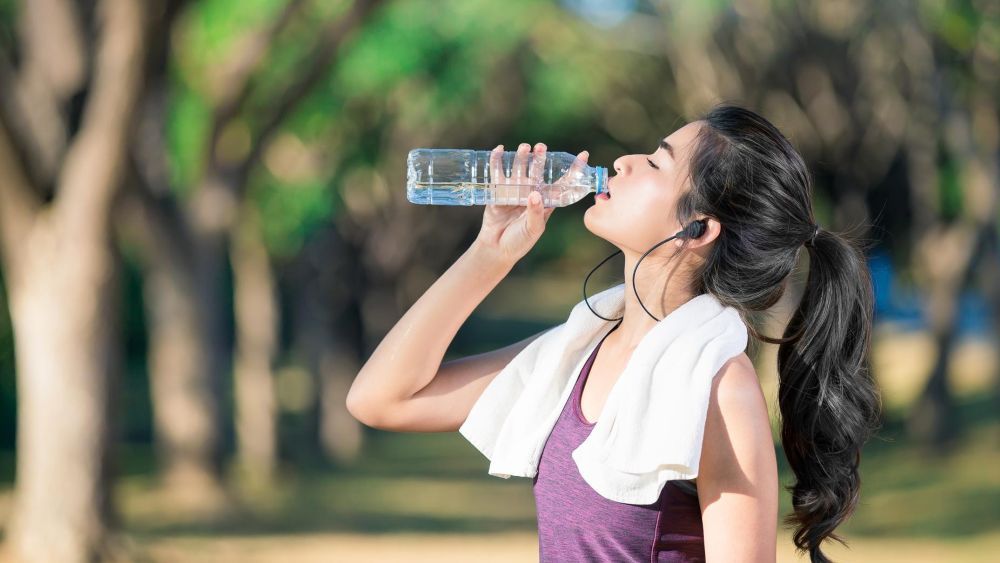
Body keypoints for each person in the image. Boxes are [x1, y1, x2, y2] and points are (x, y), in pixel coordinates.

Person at [347, 103, 882, 563]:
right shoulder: (573, 356)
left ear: (697, 228)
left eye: (655, 162)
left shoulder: (719, 386)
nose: (622, 162)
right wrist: (490, 254)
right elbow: (381, 400)